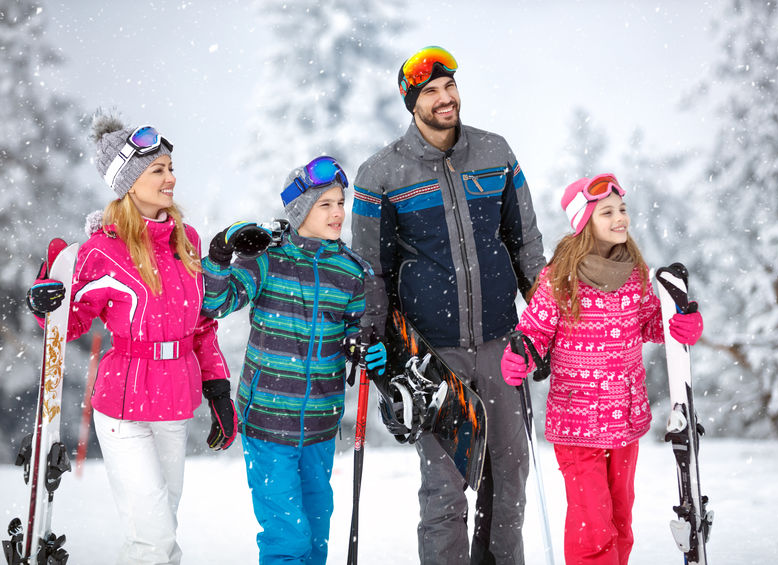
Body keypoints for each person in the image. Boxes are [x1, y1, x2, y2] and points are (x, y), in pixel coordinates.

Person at [351, 46, 546, 564]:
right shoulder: (381, 175)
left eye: (449, 86)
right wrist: (376, 342)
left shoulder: (495, 153)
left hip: (502, 345)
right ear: (411, 103)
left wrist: (543, 324)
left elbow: (525, 243)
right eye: (431, 91)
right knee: (444, 490)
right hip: (431, 357)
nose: (445, 98)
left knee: (508, 483)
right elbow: (372, 269)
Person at [25, 112, 235, 564]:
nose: (171, 179)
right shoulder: (103, 249)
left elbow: (201, 324)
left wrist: (217, 386)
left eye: (171, 168)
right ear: (129, 181)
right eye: (158, 170)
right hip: (125, 407)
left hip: (175, 401)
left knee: (160, 531)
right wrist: (47, 298)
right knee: (154, 537)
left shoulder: (187, 240)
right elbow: (70, 324)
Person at [500, 173, 704, 565]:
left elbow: (649, 323)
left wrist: (677, 325)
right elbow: (535, 332)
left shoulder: (635, 276)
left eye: (622, 209)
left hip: (624, 420)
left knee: (620, 519)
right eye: (607, 211)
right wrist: (521, 355)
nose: (620, 218)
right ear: (585, 222)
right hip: (576, 423)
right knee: (592, 525)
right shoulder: (559, 278)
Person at [200, 156, 387, 565]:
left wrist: (367, 350)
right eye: (326, 204)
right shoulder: (268, 259)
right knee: (288, 536)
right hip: (267, 422)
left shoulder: (352, 271)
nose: (338, 212)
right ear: (301, 210)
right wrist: (219, 253)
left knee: (317, 534)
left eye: (341, 202)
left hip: (321, 424)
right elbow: (214, 302)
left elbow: (358, 335)